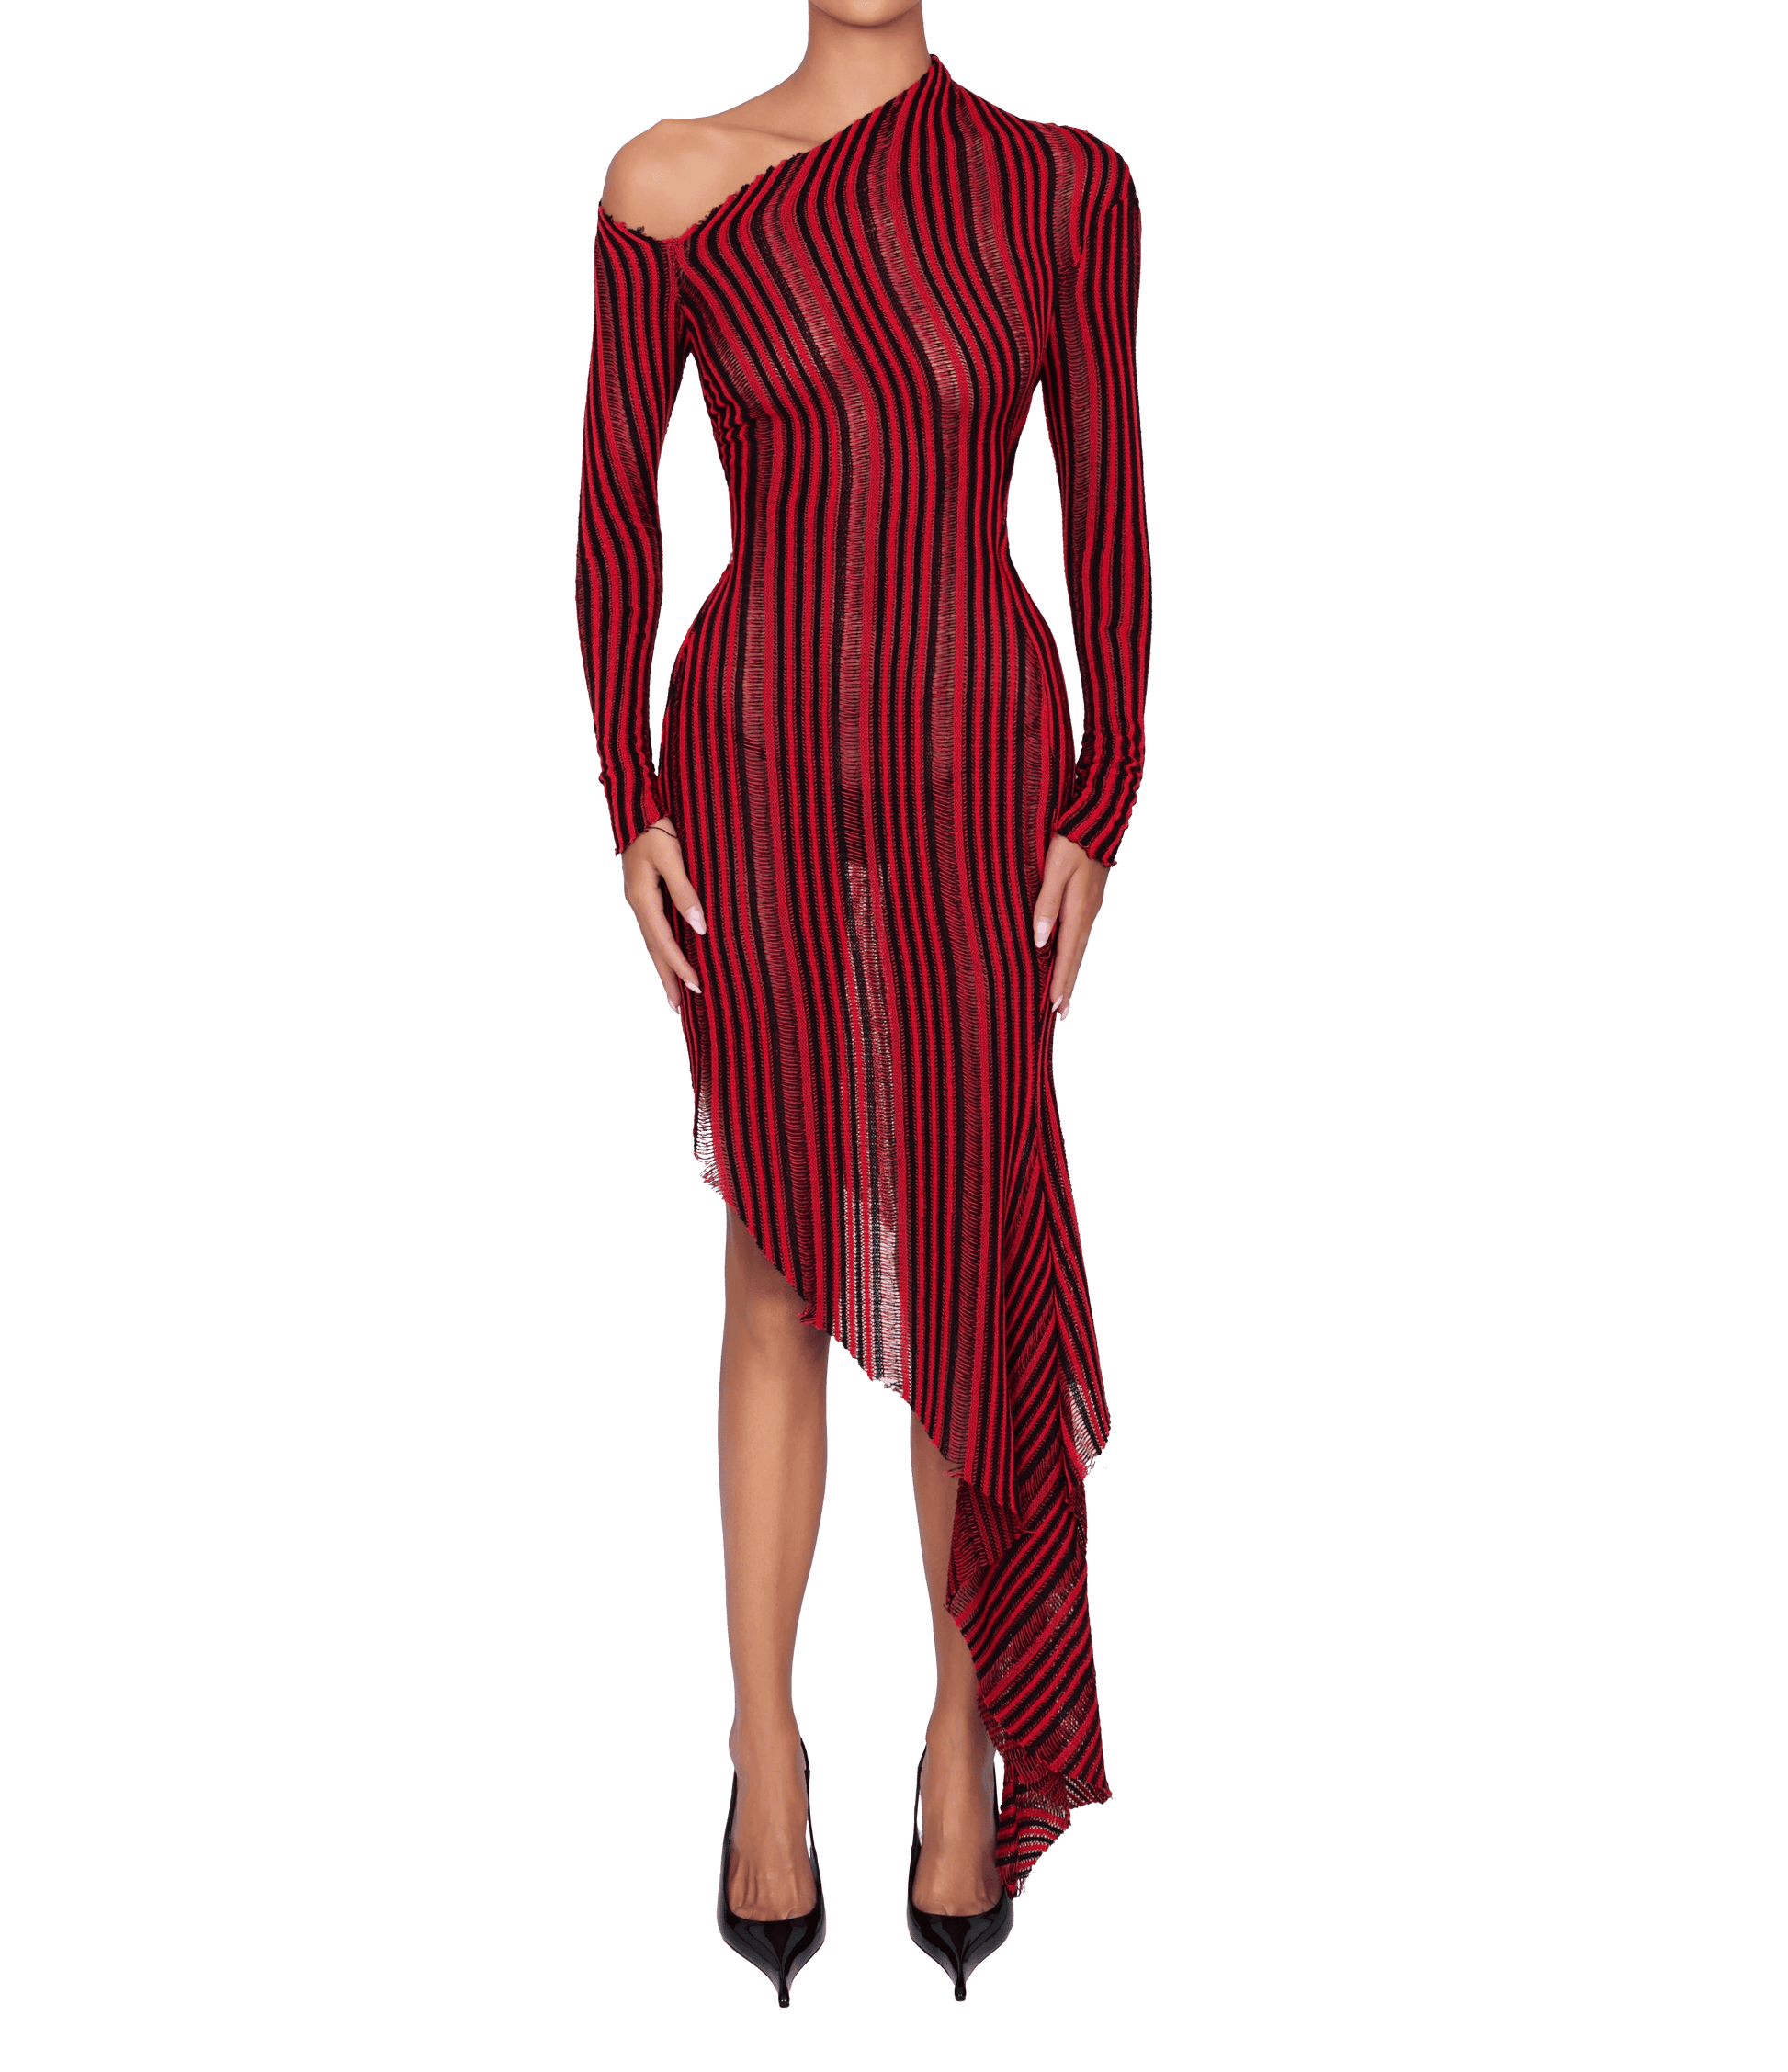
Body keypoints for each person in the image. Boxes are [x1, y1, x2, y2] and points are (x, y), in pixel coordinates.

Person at [576, 1, 1151, 2006]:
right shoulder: (667, 180)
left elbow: (1106, 500)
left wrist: (1105, 787)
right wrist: (629, 792)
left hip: (982, 764)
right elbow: (616, 508)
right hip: (747, 765)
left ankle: (959, 1736)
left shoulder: (1064, 187)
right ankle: (763, 1749)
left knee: (969, 1253)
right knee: (774, 1258)